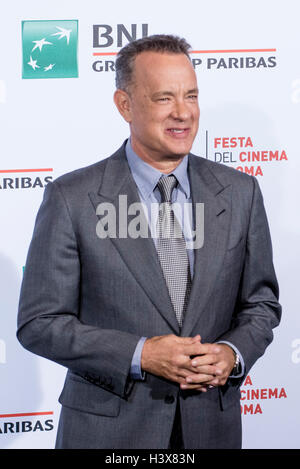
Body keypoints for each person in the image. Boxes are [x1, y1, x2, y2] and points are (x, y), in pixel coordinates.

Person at [17, 34, 281, 449]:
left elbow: (261, 304)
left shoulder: (240, 192)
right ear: (125, 104)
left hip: (210, 429)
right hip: (109, 434)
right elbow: (39, 323)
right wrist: (140, 353)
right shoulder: (72, 198)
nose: (183, 113)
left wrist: (231, 354)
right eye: (164, 99)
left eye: (191, 96)